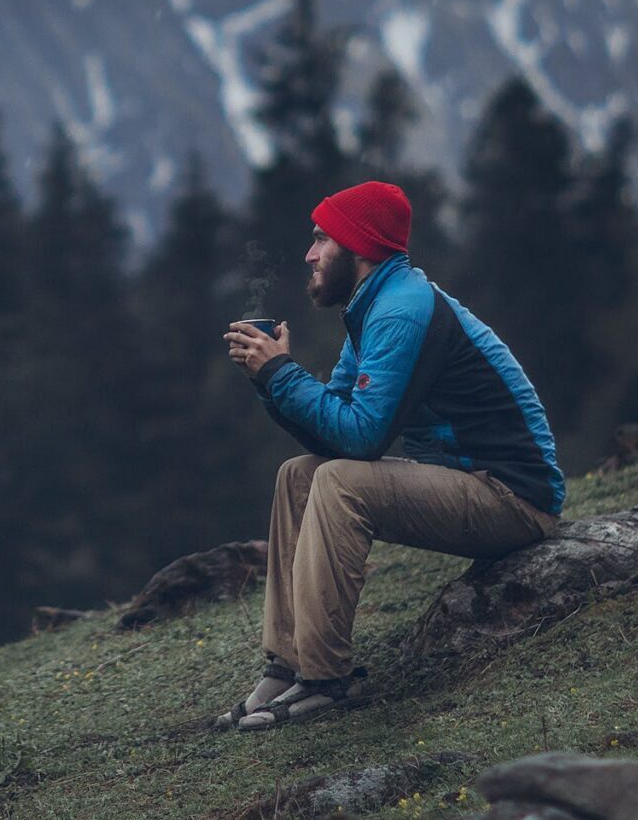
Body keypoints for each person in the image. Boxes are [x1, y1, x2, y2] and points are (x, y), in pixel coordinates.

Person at [212, 180, 564, 730]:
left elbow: (362, 440)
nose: (310, 254)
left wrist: (281, 372)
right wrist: (269, 378)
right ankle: (288, 664)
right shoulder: (372, 308)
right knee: (299, 476)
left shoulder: (401, 311)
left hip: (513, 499)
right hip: (462, 482)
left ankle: (326, 679)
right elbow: (333, 437)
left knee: (340, 482)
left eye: (321, 240)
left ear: (359, 245)